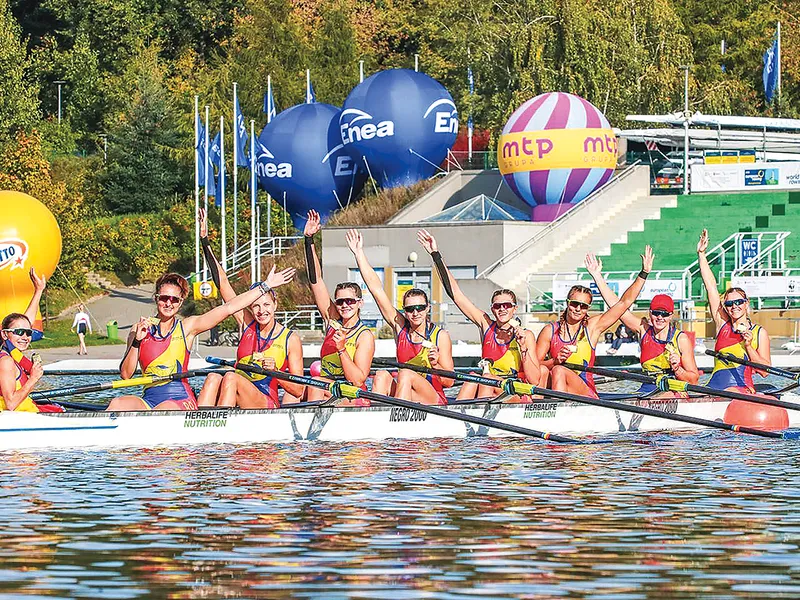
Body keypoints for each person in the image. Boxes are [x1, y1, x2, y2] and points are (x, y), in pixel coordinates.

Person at [107, 269, 292, 412]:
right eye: (164, 298)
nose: (168, 303)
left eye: (174, 299)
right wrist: (137, 342)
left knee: (163, 411)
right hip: (149, 400)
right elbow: (126, 374)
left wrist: (266, 286)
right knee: (116, 404)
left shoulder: (188, 327)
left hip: (180, 401)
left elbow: (229, 308)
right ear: (156, 298)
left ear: (180, 303)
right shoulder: (139, 329)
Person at [417, 229, 543, 401]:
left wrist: (523, 349)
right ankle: (457, 414)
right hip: (489, 387)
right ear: (492, 309)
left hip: (517, 393)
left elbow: (535, 379)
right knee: (470, 379)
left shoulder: (525, 335)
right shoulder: (485, 324)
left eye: (507, 305)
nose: (502, 309)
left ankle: (472, 415)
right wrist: (435, 255)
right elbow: (456, 295)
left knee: (484, 379)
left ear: (514, 309)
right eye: (498, 306)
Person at [194, 209, 303, 409]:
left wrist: (276, 370)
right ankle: (199, 431)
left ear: (275, 305)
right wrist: (204, 241)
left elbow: (298, 391)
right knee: (212, 377)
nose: (262, 311)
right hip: (236, 391)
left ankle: (220, 430)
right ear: (250, 309)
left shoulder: (290, 339)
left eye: (267, 305)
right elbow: (223, 283)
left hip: (266, 401)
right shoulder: (246, 323)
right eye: (256, 306)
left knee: (230, 377)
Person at [345, 228, 454, 405]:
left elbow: (449, 382)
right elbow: (376, 289)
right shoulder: (400, 326)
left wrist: (435, 365)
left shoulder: (440, 336)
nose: (415, 313)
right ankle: (377, 419)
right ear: (404, 311)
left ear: (427, 309)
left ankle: (395, 422)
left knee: (404, 373)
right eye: (410, 309)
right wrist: (358, 254)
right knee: (381, 375)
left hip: (434, 398)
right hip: (408, 393)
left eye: (420, 308)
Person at [536, 246, 655, 398]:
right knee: (543, 371)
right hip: (560, 387)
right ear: (567, 303)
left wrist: (643, 273)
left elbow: (624, 303)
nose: (578, 309)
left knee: (559, 370)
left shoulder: (592, 327)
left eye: (583, 306)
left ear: (587, 308)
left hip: (586, 392)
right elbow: (534, 367)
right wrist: (555, 360)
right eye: (574, 303)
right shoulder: (550, 330)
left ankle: (556, 411)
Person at [585, 253, 699, 395]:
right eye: (656, 313)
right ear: (650, 313)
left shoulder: (681, 339)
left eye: (664, 314)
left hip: (673, 389)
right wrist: (597, 276)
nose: (659, 317)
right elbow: (617, 306)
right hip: (647, 388)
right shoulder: (643, 329)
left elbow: (694, 380)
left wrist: (677, 368)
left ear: (671, 316)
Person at [303, 210, 375, 404]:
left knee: (316, 384)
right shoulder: (331, 321)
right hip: (326, 389)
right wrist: (308, 240)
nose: (344, 305)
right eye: (340, 301)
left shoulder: (364, 335)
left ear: (359, 303)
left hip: (353, 394)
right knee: (314, 383)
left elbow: (358, 379)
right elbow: (315, 279)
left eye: (350, 301)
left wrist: (342, 349)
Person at [697, 229, 770, 392]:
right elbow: (710, 287)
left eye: (738, 302)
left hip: (741, 389)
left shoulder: (759, 333)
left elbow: (765, 372)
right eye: (729, 304)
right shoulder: (722, 323)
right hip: (714, 388)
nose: (734, 306)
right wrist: (702, 254)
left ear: (746, 303)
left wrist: (749, 346)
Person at [0, 268, 52, 412]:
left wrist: (39, 290)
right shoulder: (6, 361)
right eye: (19, 332)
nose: (25, 337)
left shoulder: (11, 352)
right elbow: (10, 404)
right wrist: (33, 379)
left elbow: (24, 321)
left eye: (28, 333)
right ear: (4, 335)